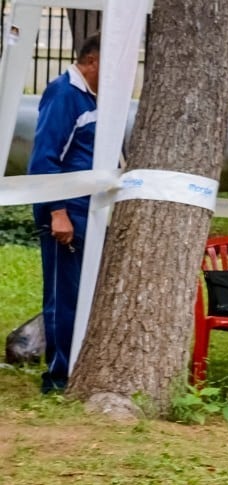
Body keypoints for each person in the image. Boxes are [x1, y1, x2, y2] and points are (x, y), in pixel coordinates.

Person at [27, 34, 100, 394]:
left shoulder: (94, 98)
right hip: (66, 212)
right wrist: (58, 212)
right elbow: (45, 157)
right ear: (93, 61)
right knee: (64, 296)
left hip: (88, 210)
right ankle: (58, 377)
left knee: (82, 294)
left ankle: (76, 365)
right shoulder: (64, 94)